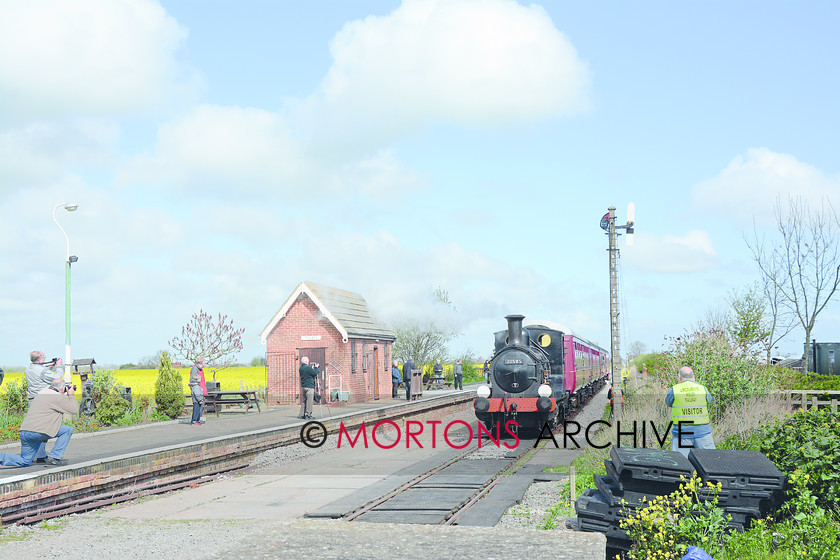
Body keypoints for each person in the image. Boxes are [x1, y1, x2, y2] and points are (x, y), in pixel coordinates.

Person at [0, 378, 78, 467]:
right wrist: (71, 395)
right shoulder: (56, 397)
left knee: (24, 461)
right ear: (62, 388)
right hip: (39, 432)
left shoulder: (41, 393)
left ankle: (1, 457)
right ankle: (54, 458)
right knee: (67, 430)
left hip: (25, 432)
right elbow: (74, 409)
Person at [666, 366, 715, 458]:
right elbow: (709, 400)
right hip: (703, 433)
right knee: (710, 462)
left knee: (682, 465)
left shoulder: (674, 389)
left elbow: (668, 402)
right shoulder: (702, 389)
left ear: (680, 377)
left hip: (682, 434)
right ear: (693, 377)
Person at [25, 351, 62, 462]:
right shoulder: (42, 370)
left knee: (37, 427)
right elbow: (57, 379)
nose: (45, 357)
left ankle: (39, 455)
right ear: (40, 359)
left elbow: (40, 377)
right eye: (44, 356)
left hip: (32, 401)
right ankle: (52, 455)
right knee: (47, 428)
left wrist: (49, 368)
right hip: (43, 402)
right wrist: (59, 366)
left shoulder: (28, 369)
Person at [188, 357, 206, 426]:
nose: (205, 363)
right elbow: (192, 379)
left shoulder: (199, 369)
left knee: (199, 406)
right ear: (201, 362)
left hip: (199, 390)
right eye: (204, 362)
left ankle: (197, 420)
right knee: (196, 406)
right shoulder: (195, 369)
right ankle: (194, 420)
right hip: (197, 391)